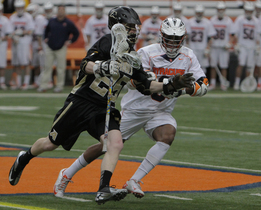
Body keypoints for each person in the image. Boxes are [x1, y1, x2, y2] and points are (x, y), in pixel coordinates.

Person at [8, 7, 194, 205]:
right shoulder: (107, 42)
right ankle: (24, 157)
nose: (134, 31)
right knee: (50, 143)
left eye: (135, 27)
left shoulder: (133, 56)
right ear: (117, 27)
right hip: (81, 101)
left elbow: (147, 85)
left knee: (115, 142)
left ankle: (103, 188)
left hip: (104, 106)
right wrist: (103, 66)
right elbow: (85, 64)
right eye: (129, 27)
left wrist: (171, 84)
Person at [51, 17, 208, 199]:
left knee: (168, 135)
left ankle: (134, 180)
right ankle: (67, 173)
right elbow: (136, 83)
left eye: (176, 39)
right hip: (135, 108)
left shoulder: (188, 55)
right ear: (161, 36)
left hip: (160, 110)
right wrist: (170, 85)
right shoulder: (147, 52)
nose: (172, 43)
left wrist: (187, 89)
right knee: (106, 146)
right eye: (169, 38)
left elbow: (203, 83)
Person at [38, 4, 79, 93]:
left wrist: (70, 41)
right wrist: (46, 38)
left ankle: (59, 86)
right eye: (59, 10)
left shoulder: (68, 23)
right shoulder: (52, 21)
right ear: (57, 11)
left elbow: (76, 33)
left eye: (62, 10)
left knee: (60, 68)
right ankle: (43, 85)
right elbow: (46, 30)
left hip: (61, 48)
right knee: (47, 67)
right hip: (50, 47)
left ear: (65, 11)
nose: (60, 11)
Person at [232, 1, 261, 90]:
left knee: (249, 66)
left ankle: (247, 83)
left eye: (250, 11)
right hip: (243, 46)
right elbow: (235, 33)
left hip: (252, 47)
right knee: (241, 64)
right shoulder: (240, 19)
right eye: (247, 10)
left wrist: (258, 46)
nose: (248, 12)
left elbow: (257, 36)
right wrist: (236, 44)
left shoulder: (256, 21)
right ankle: (236, 83)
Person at [209, 1, 235, 91]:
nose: (220, 11)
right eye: (219, 9)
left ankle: (223, 83)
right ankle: (212, 83)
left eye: (222, 9)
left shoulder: (228, 20)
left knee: (224, 66)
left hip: (224, 47)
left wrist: (229, 43)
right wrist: (210, 43)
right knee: (213, 66)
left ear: (224, 10)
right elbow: (209, 34)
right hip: (215, 46)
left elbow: (233, 34)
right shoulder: (212, 20)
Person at [9, 0, 34, 90]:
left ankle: (26, 83)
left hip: (25, 42)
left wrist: (22, 32)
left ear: (23, 8)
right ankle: (18, 83)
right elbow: (9, 30)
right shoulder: (12, 17)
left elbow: (31, 30)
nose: (19, 9)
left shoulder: (28, 17)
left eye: (21, 8)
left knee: (26, 62)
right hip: (15, 42)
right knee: (17, 63)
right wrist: (14, 36)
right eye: (18, 8)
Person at [188, 5, 216, 75]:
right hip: (192, 48)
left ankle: (203, 83)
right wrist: (187, 45)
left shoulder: (207, 23)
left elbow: (210, 37)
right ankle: (193, 83)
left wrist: (208, 48)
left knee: (203, 67)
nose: (199, 14)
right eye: (198, 12)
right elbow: (186, 36)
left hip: (203, 48)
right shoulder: (190, 22)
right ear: (195, 13)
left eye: (200, 12)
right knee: (191, 66)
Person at [26, 3, 48, 89]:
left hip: (42, 43)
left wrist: (40, 46)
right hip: (33, 43)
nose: (29, 13)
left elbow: (39, 34)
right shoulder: (30, 19)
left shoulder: (40, 19)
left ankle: (45, 81)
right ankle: (36, 81)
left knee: (43, 64)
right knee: (35, 64)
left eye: (31, 11)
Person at [0, 3, 12, 89]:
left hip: (2, 44)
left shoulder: (4, 20)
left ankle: (2, 82)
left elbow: (9, 34)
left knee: (2, 64)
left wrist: (2, 38)